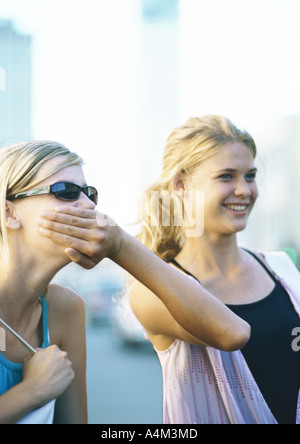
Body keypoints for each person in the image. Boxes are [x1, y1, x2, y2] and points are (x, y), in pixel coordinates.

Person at [39, 115, 300, 424]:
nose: (244, 190)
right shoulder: (150, 293)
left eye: (250, 175)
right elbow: (231, 333)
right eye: (227, 177)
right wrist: (119, 244)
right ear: (181, 185)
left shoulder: (280, 267)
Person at [0, 140, 94, 424]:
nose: (89, 205)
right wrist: (33, 391)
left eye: (91, 194)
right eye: (66, 191)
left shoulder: (66, 308)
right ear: (9, 213)